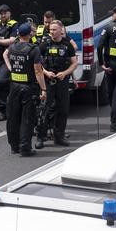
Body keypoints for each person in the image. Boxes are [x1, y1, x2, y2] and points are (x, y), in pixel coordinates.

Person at [3, 22, 47, 157]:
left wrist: (11, 68)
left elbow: (5, 55)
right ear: (29, 35)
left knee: (13, 117)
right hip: (28, 88)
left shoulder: (12, 46)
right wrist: (43, 89)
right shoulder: (33, 49)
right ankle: (25, 148)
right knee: (27, 118)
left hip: (14, 87)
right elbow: (38, 71)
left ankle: (14, 146)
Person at [35, 20, 77, 149]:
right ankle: (40, 137)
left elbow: (74, 63)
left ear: (61, 30)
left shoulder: (67, 45)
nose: (52, 32)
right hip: (48, 82)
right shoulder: (44, 44)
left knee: (63, 110)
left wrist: (65, 73)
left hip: (62, 81)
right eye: (50, 30)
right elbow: (37, 63)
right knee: (44, 110)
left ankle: (59, 136)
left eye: (54, 30)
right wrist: (46, 72)